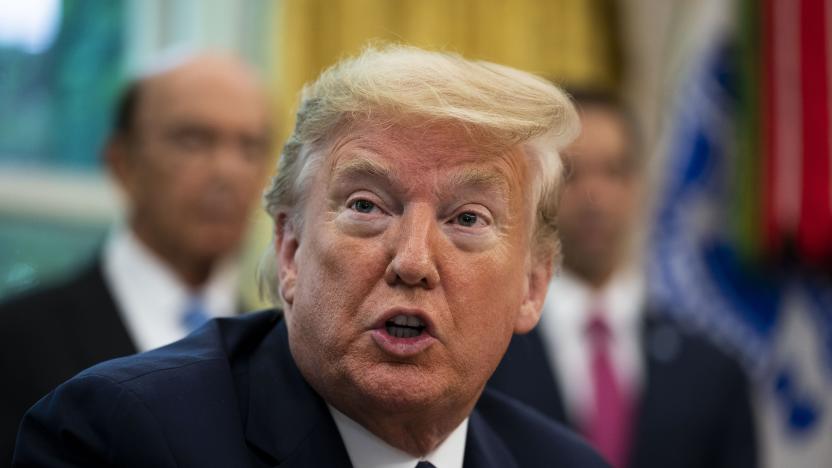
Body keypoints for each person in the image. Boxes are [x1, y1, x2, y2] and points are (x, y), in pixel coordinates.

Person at [13, 45, 609, 467]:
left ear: (533, 286)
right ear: (291, 250)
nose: (413, 261)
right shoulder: (122, 435)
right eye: (368, 206)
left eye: (468, 219)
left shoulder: (565, 461)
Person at [0, 53, 272, 465]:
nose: (227, 171)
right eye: (193, 139)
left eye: (250, 147)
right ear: (122, 162)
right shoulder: (15, 341)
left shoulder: (279, 357)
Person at [488, 91, 757, 468]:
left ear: (638, 185)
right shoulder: (487, 361)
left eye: (614, 171)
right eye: (570, 172)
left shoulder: (715, 372)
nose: (594, 194)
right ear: (536, 188)